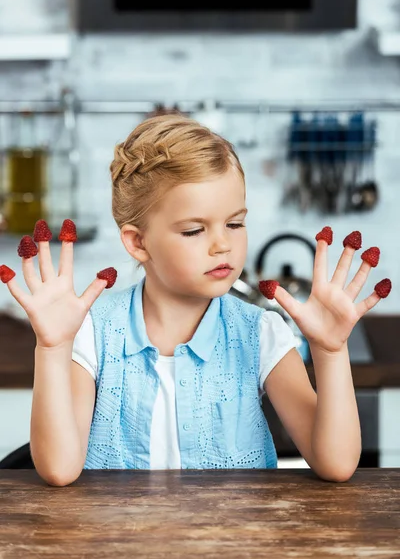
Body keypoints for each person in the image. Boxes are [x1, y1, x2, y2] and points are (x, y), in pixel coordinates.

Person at [0, 114, 390, 487]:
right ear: (138, 242)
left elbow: (336, 464)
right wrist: (52, 347)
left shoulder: (260, 334)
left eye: (235, 224)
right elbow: (58, 469)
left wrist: (330, 351)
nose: (223, 244)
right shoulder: (93, 333)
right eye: (193, 231)